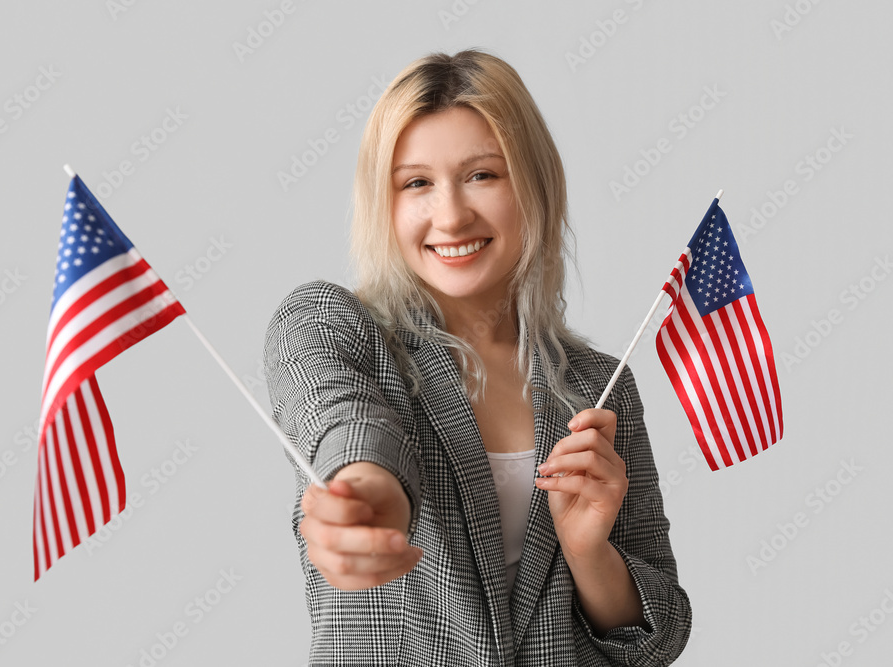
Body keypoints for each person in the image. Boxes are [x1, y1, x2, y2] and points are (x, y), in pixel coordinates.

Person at [263, 48, 691, 666]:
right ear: (384, 204)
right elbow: (348, 423)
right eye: (416, 183)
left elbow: (658, 641)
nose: (451, 214)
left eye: (483, 175)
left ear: (533, 184)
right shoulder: (331, 324)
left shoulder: (601, 385)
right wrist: (364, 499)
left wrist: (588, 548)